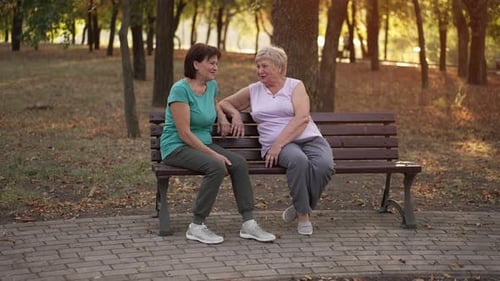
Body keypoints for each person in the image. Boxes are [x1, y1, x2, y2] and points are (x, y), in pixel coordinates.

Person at [160, 43, 276, 245]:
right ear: (196, 64)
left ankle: (248, 223)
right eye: (211, 63)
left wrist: (222, 116)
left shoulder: (211, 85)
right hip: (177, 147)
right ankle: (196, 226)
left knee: (238, 163)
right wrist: (214, 155)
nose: (215, 67)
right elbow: (185, 133)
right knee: (215, 166)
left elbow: (214, 102)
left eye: (216, 63)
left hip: (202, 143)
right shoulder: (180, 90)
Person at [220, 45, 335, 236]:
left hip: (308, 138)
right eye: (258, 66)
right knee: (298, 161)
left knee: (325, 165)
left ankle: (299, 204)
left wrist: (278, 144)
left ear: (279, 67)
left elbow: (302, 118)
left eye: (264, 66)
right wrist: (234, 115)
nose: (259, 71)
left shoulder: (295, 86)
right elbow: (224, 103)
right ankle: (303, 214)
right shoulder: (254, 90)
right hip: (277, 146)